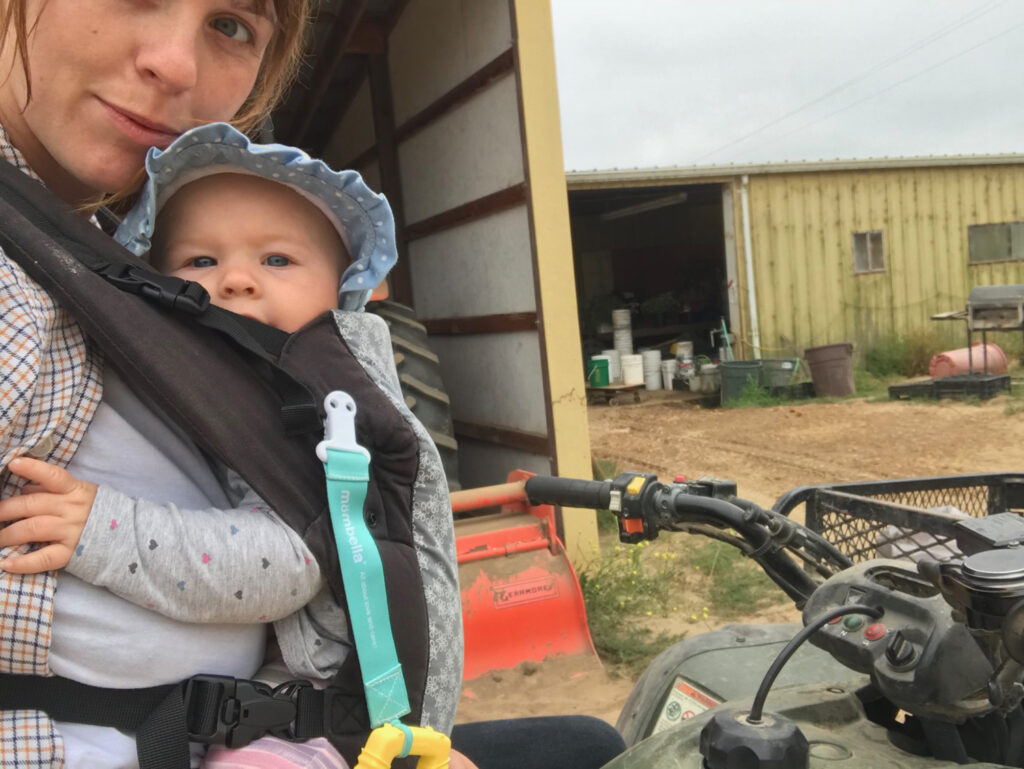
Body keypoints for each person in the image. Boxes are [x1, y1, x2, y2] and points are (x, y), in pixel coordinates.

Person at [0, 3, 464, 768]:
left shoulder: (106, 283)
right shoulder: (31, 298)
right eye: (201, 263)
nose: (176, 65)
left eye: (233, 25)